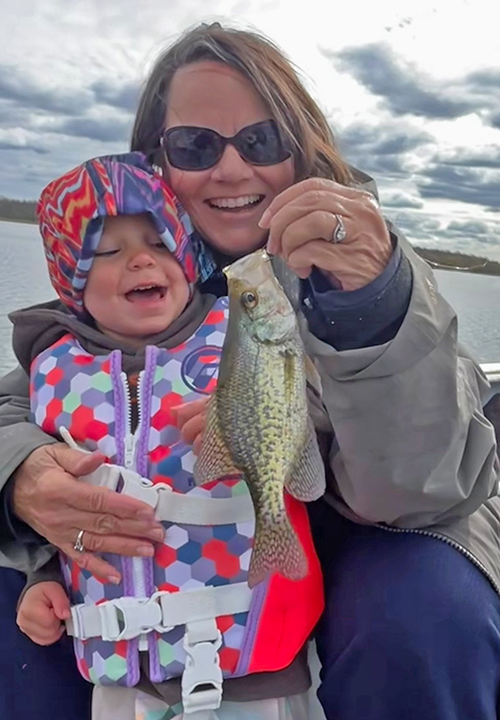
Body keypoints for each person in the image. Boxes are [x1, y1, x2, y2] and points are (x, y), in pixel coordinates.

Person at [0, 22, 499, 720]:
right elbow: (21, 402)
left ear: (302, 146)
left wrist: (366, 310)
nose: (231, 170)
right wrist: (21, 474)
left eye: (261, 141)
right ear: (158, 163)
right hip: (194, 543)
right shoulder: (137, 280)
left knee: (420, 609)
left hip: (378, 525)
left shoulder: (371, 265)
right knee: (11, 594)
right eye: (196, 146)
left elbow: (419, 490)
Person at [14, 150, 323, 720]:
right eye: (108, 251)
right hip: (119, 676)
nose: (140, 261)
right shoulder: (51, 371)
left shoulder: (239, 337)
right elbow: (51, 506)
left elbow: (313, 398)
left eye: (160, 244)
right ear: (71, 280)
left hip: (252, 667)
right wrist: (39, 578)